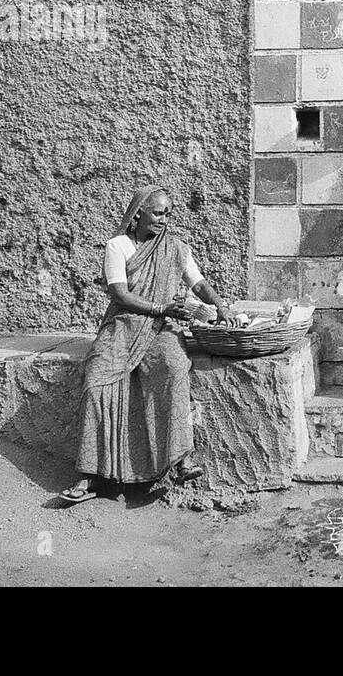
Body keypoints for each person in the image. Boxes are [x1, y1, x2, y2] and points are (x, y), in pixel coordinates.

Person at [58, 185, 240, 504]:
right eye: (158, 212)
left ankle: (182, 460)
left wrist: (220, 306)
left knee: (173, 367)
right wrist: (160, 308)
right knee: (96, 378)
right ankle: (90, 476)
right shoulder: (118, 245)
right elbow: (120, 294)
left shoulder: (174, 247)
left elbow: (197, 282)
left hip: (161, 328)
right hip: (124, 323)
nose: (163, 219)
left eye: (168, 213)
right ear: (139, 211)